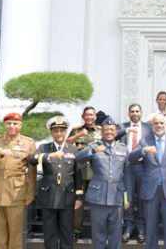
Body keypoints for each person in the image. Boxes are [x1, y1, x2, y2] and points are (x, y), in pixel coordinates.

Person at [0, 112, 37, 249]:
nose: (12, 126)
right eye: (9, 123)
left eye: (15, 123)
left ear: (20, 125)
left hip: (17, 193)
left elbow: (32, 171)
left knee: (15, 233)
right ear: (5, 125)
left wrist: (30, 194)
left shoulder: (28, 143)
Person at [128, 114, 166, 249]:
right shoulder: (145, 140)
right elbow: (131, 158)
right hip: (150, 190)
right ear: (152, 125)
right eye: (156, 123)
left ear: (165, 125)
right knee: (150, 228)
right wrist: (144, 150)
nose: (159, 126)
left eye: (161, 123)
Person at [27, 116, 82, 249]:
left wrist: (79, 197)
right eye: (56, 131)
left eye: (62, 131)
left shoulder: (73, 149)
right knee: (49, 234)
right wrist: (49, 156)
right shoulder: (44, 147)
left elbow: (78, 175)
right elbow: (31, 159)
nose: (59, 134)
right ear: (51, 133)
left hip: (67, 197)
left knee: (67, 233)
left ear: (66, 132)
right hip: (49, 196)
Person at [75, 116, 130, 249]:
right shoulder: (94, 146)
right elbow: (78, 159)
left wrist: (126, 198)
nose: (109, 132)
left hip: (117, 196)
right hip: (98, 196)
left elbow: (127, 174)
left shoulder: (123, 149)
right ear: (102, 132)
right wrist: (92, 151)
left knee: (115, 234)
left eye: (111, 129)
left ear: (116, 132)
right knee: (98, 234)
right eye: (106, 129)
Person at [66, 106, 102, 240]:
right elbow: (67, 144)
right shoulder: (76, 130)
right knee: (78, 203)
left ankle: (97, 231)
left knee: (96, 204)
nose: (89, 117)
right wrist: (77, 136)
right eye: (86, 115)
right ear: (83, 116)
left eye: (91, 115)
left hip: (96, 172)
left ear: (95, 117)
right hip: (79, 172)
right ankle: (77, 230)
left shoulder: (101, 131)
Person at [117, 103, 152, 244]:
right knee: (128, 199)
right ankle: (128, 228)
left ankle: (141, 229)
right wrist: (126, 131)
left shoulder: (148, 128)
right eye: (132, 111)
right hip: (127, 167)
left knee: (142, 199)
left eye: (137, 111)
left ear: (141, 112)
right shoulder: (122, 127)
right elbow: (112, 136)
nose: (135, 113)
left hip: (144, 167)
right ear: (128, 113)